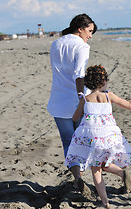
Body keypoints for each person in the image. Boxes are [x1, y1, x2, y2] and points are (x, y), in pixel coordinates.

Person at [66, 65, 131, 208]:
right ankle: (122, 173)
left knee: (96, 169)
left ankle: (105, 202)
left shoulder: (86, 98)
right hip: (109, 136)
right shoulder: (109, 96)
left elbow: (75, 118)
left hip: (92, 136)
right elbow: (130, 105)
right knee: (104, 163)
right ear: (103, 82)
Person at [47, 13, 97, 193]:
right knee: (83, 140)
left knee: (68, 141)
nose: (90, 35)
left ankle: (77, 178)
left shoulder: (56, 44)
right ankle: (86, 177)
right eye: (89, 31)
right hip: (76, 100)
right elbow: (78, 74)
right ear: (80, 29)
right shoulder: (82, 46)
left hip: (58, 101)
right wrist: (81, 98)